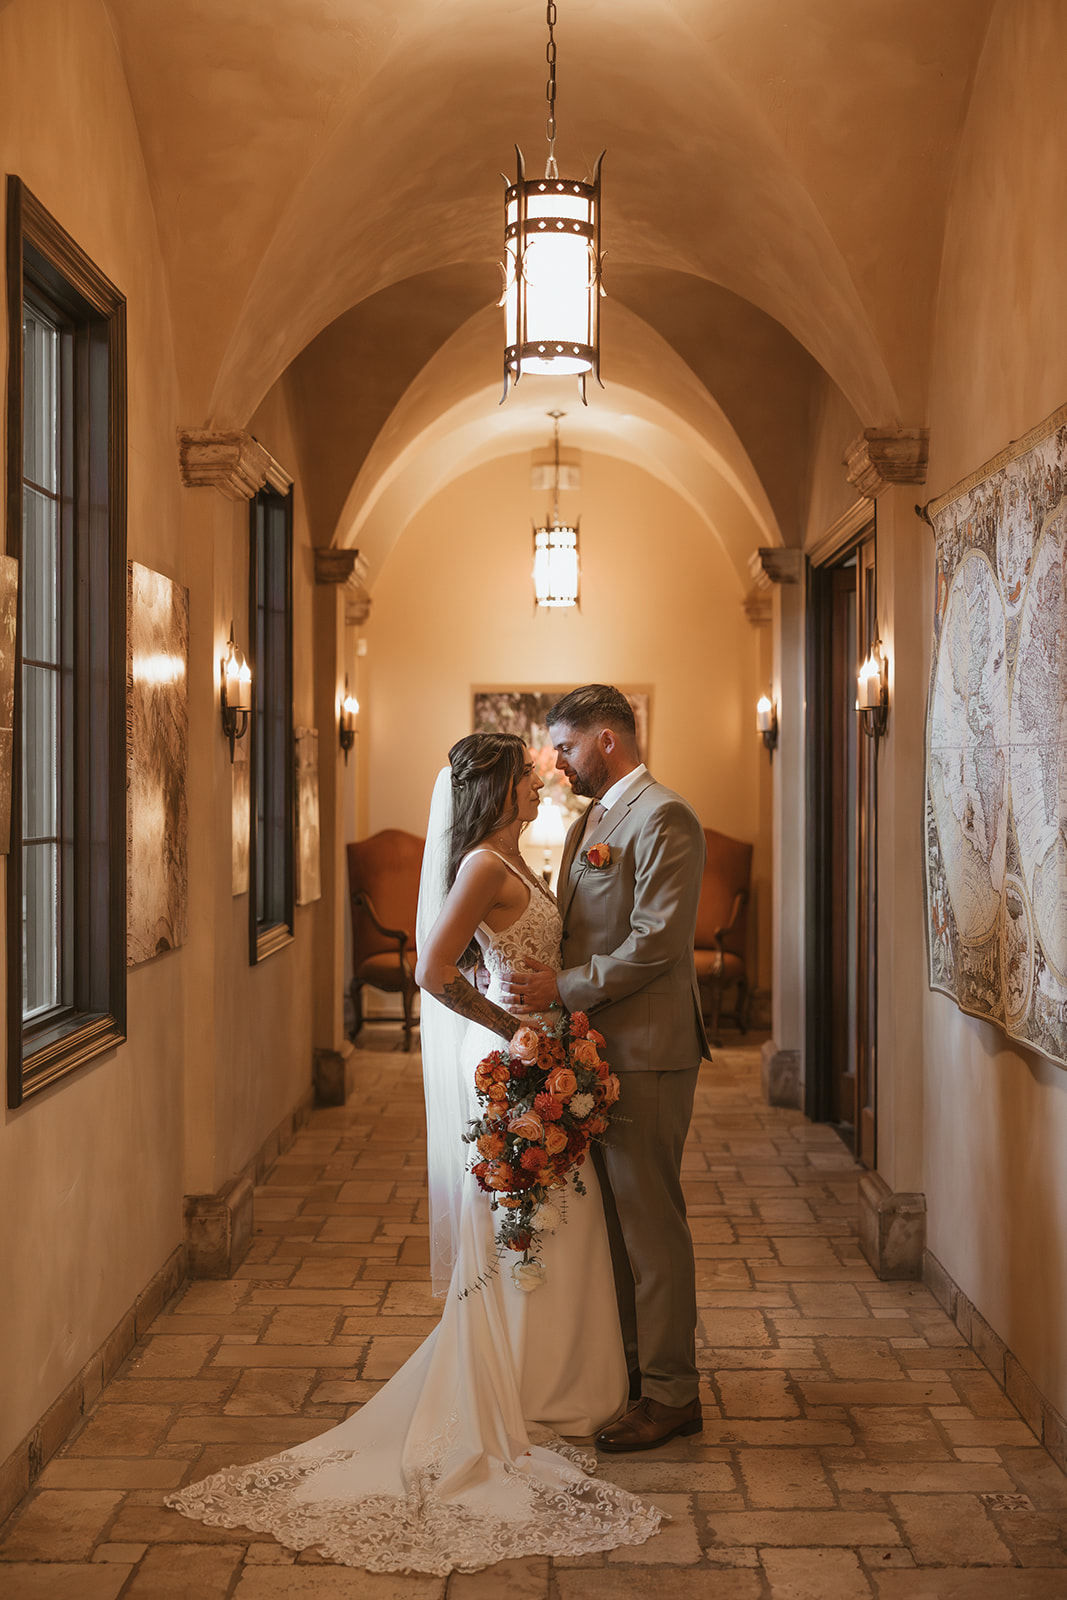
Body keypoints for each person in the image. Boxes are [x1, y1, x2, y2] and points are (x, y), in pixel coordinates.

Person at [165, 732, 661, 1574]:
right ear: (497, 790)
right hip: (516, 1061)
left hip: (543, 1047)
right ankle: (529, 1387)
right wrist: (517, 1035)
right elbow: (434, 970)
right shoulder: (478, 865)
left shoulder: (512, 858)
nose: (539, 788)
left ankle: (554, 1383)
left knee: (554, 1223)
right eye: (525, 780)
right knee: (529, 1220)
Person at [502, 685, 709, 1452]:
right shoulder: (596, 816)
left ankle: (671, 1393)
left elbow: (655, 943)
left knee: (651, 1227)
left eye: (565, 745)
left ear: (607, 740)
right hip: (600, 1047)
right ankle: (630, 1376)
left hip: (648, 1051)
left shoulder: (664, 817)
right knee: (619, 1227)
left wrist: (564, 987)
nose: (556, 762)